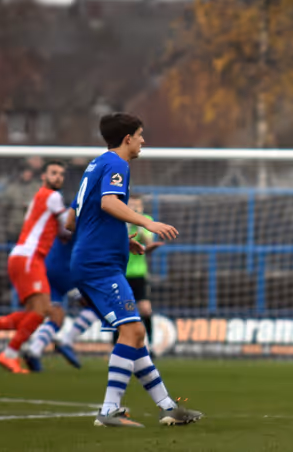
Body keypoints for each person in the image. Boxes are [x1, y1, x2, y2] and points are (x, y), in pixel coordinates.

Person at [69, 112, 202, 427]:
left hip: (96, 259)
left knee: (135, 334)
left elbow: (75, 217)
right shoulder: (117, 164)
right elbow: (108, 203)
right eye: (141, 135)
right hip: (99, 265)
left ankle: (168, 406)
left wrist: (121, 240)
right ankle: (109, 410)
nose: (143, 141)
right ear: (127, 138)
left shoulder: (97, 164)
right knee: (134, 330)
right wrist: (146, 222)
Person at [0, 161, 69, 373]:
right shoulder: (52, 197)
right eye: (53, 173)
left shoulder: (39, 197)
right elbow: (68, 228)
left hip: (23, 257)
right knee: (43, 310)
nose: (58, 177)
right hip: (29, 258)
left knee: (34, 313)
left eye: (61, 174)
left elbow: (61, 232)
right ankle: (10, 354)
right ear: (43, 176)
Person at [25, 220, 92, 371]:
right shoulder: (83, 216)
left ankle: (34, 350)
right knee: (97, 306)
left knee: (57, 316)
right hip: (65, 272)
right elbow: (65, 232)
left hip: (50, 268)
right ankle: (66, 341)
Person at [117, 194, 164, 347]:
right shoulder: (119, 221)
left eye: (137, 205)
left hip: (139, 274)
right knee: (120, 311)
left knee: (145, 309)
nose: (134, 208)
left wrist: (138, 224)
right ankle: (115, 346)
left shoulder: (146, 220)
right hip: (121, 273)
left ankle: (150, 345)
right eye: (131, 205)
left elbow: (148, 244)